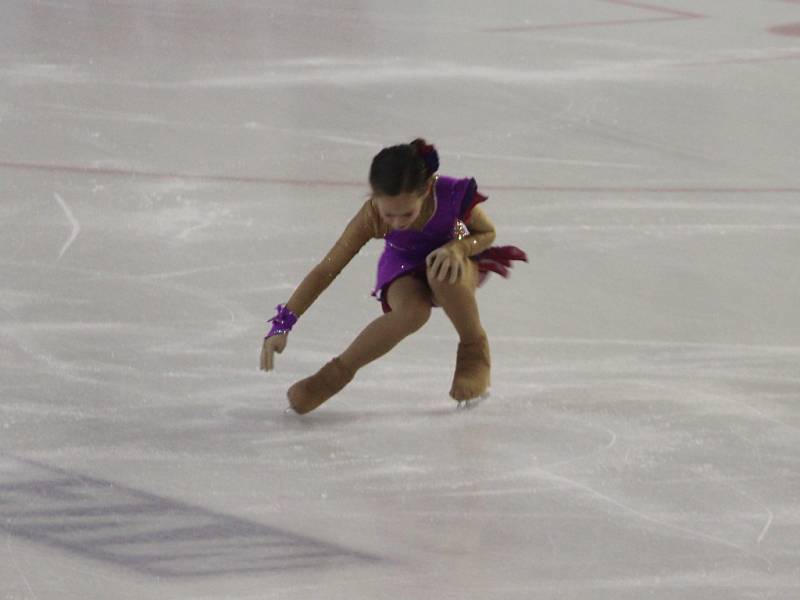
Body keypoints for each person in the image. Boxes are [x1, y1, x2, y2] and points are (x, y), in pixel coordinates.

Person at [260, 139, 527, 414]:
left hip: (454, 260)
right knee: (413, 312)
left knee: (442, 273)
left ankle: (474, 348)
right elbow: (327, 268)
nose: (398, 222)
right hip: (403, 265)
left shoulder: (448, 195)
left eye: (407, 214)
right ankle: (331, 377)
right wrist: (283, 324)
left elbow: (483, 232)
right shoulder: (371, 216)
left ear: (426, 190)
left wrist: (458, 246)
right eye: (390, 215)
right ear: (374, 197)